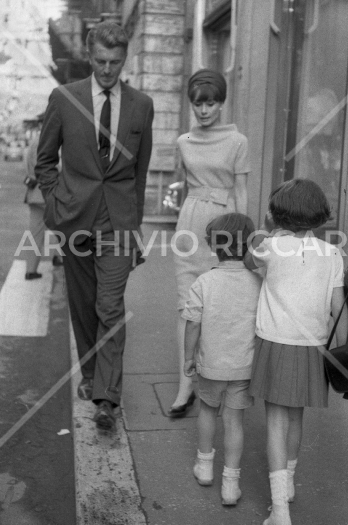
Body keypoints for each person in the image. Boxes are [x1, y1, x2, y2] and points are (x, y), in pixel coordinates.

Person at [35, 21, 154, 430]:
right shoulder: (65, 98)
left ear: (125, 59)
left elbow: (139, 172)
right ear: (90, 56)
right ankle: (90, 374)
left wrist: (134, 224)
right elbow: (45, 161)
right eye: (101, 61)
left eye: (115, 62)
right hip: (75, 218)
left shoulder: (141, 105)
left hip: (118, 221)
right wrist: (55, 205)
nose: (108, 70)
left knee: (109, 305)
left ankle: (106, 397)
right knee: (84, 307)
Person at [244, 178, 348, 525]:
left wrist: (263, 231)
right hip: (314, 347)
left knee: (275, 420)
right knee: (295, 417)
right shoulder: (333, 254)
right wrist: (340, 355)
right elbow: (339, 310)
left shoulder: (269, 247)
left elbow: (247, 261)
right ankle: (288, 482)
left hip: (275, 342)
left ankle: (280, 511)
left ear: (277, 213)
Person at [169, 68, 251, 417]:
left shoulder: (238, 142)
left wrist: (244, 238)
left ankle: (217, 378)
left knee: (219, 304)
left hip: (225, 225)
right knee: (186, 305)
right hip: (190, 223)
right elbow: (182, 184)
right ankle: (185, 382)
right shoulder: (183, 142)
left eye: (211, 103)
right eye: (198, 104)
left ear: (221, 103)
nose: (204, 111)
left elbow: (242, 191)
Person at [183, 213, 261, 505]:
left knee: (207, 411)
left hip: (211, 364)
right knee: (235, 422)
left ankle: (204, 467)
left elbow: (192, 323)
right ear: (249, 245)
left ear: (212, 246)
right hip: (243, 366)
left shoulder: (204, 282)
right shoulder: (257, 281)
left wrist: (188, 358)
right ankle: (231, 484)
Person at [24, 115, 63, 279]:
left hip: (34, 193)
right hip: (50, 192)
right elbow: (57, 166)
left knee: (35, 233)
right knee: (62, 227)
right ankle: (58, 257)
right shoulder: (50, 140)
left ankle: (30, 270)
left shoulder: (35, 141)